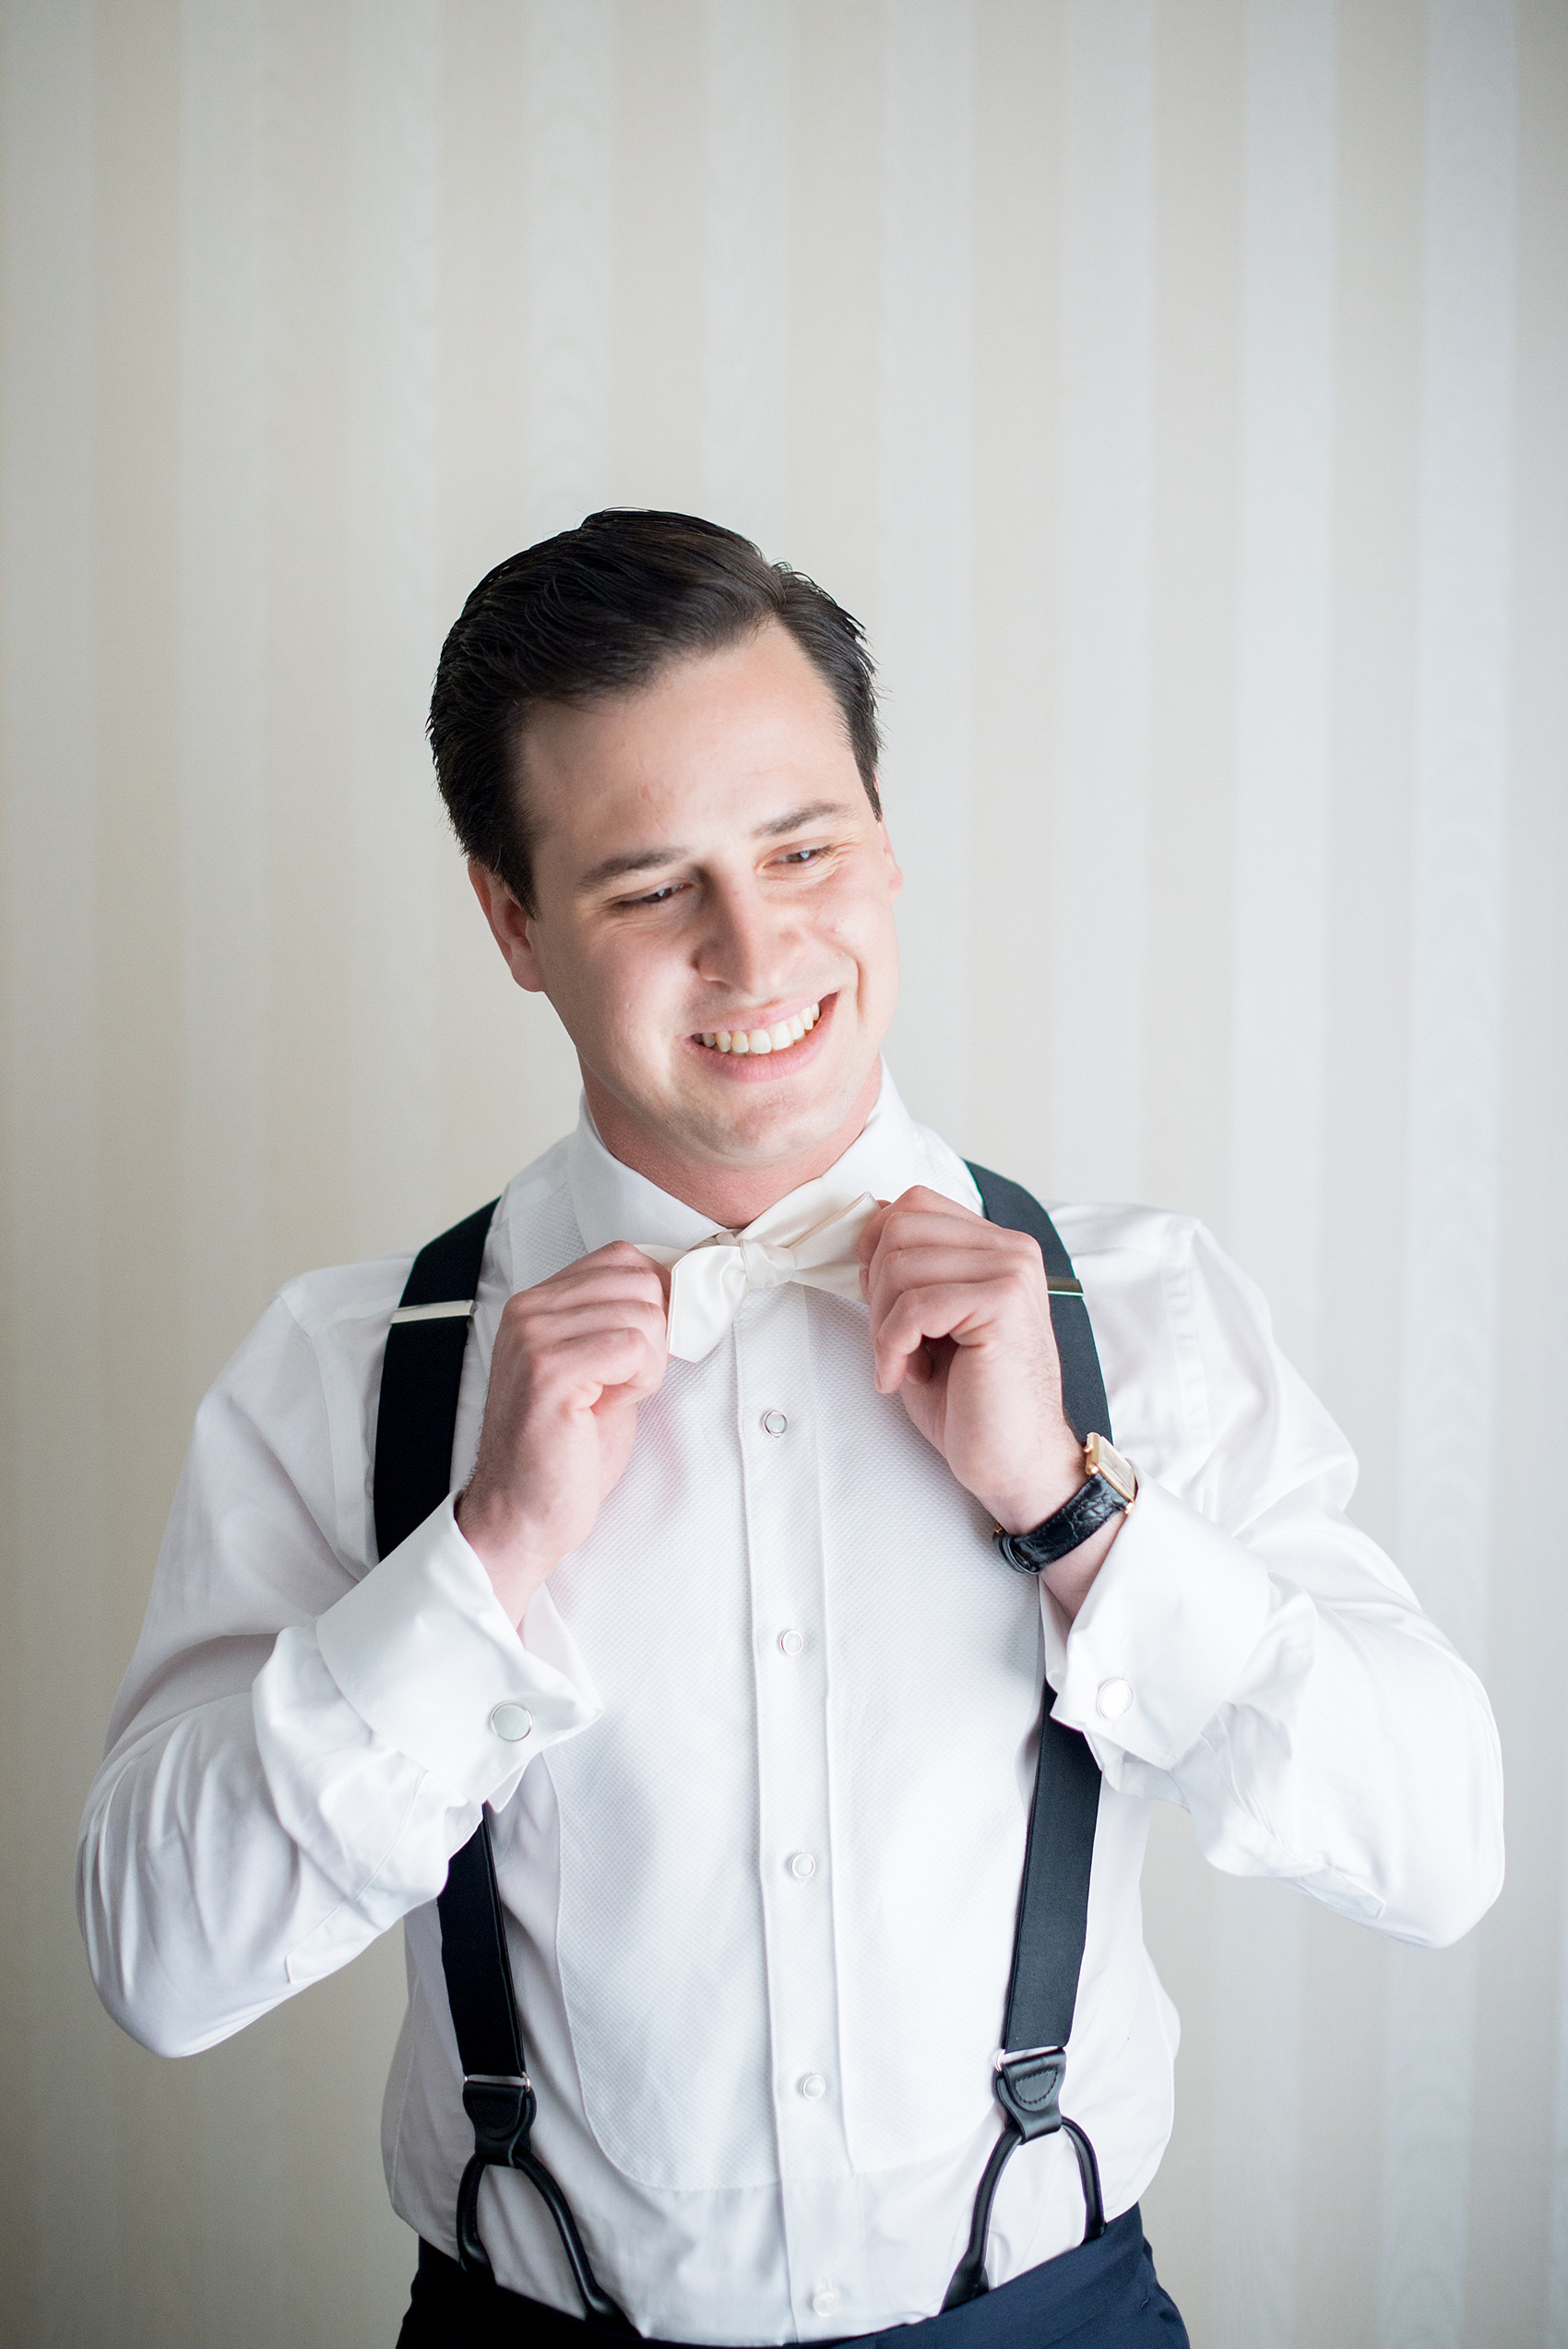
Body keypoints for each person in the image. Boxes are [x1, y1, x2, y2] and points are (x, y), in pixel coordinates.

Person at [79, 510, 1503, 2349]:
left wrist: (1075, 1520)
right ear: (512, 921)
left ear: (885, 843)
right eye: (646, 884)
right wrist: (480, 1563)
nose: (756, 949)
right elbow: (157, 1969)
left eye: (801, 845)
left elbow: (1435, 1849)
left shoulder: (1137, 1313)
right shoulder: (351, 1370)